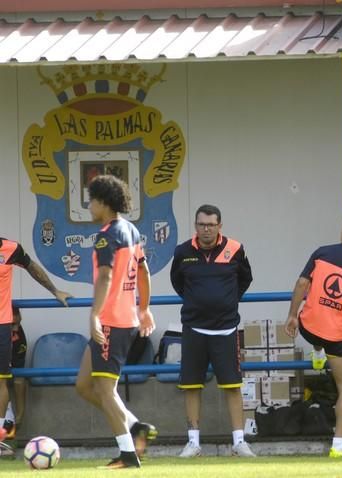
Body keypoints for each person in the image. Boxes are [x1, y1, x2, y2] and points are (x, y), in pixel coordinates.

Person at [74, 175, 157, 469]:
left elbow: (106, 276)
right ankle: (136, 427)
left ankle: (127, 455)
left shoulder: (105, 235)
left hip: (111, 321)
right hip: (125, 319)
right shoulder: (131, 230)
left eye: (92, 200)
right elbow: (145, 272)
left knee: (105, 390)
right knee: (84, 384)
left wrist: (94, 315)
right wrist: (144, 309)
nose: (89, 205)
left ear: (104, 203)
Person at [284, 209, 342, 458]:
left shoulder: (323, 253)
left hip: (308, 329)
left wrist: (293, 315)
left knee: (317, 326)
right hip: (339, 338)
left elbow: (302, 284)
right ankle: (338, 447)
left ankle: (317, 352)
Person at [170, 204, 255, 458]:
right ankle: (193, 443)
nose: (206, 229)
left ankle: (239, 442)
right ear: (195, 226)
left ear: (220, 225)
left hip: (226, 329)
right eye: (201, 224)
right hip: (194, 328)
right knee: (191, 386)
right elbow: (178, 282)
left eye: (211, 225)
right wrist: (198, 301)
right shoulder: (182, 251)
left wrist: (228, 301)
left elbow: (245, 279)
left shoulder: (236, 249)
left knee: (232, 385)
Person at [0, 236, 71, 451]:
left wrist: (55, 290)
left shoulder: (10, 248)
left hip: (2, 325)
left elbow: (32, 267)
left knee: (0, 381)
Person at [1, 306, 28, 447]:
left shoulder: (18, 337)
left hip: (7, 374)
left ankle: (12, 421)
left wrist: (20, 415)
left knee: (17, 380)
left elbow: (18, 373)